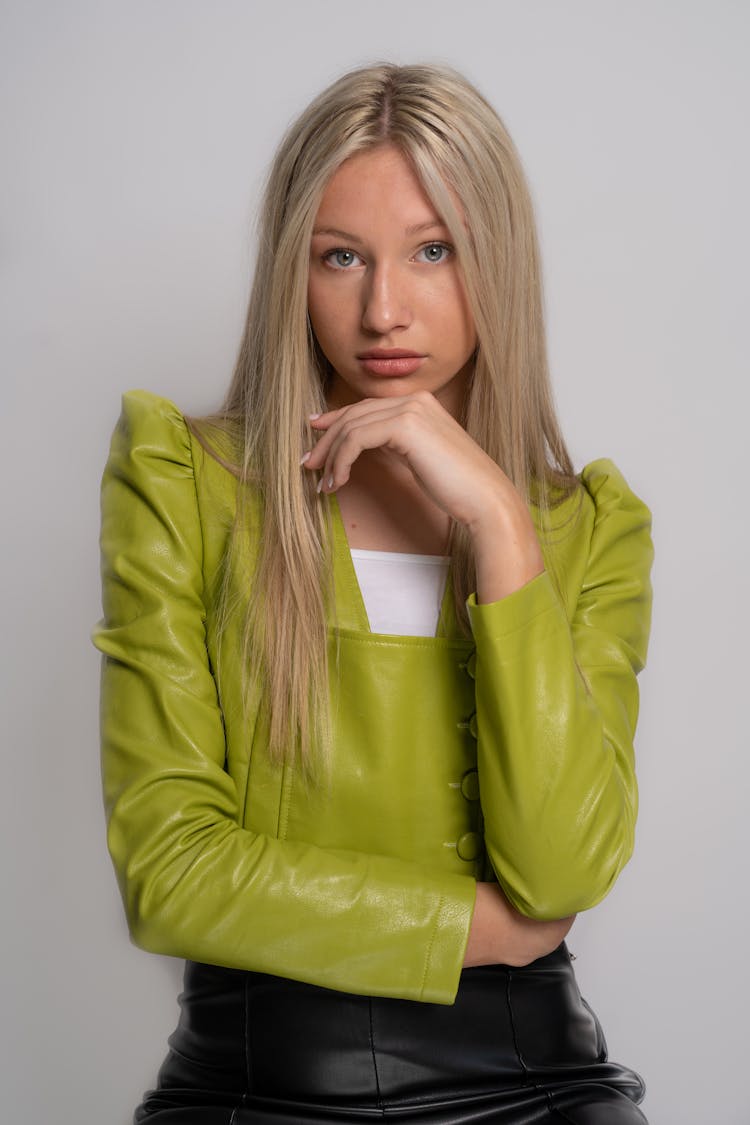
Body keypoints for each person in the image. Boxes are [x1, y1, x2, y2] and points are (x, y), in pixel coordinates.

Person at [94, 63, 653, 1124]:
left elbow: (563, 867)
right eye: (340, 258)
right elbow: (169, 872)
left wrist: (497, 524)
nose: (384, 310)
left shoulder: (587, 531)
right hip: (264, 1076)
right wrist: (479, 934)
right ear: (290, 275)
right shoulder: (186, 481)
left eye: (434, 251)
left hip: (536, 1077)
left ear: (500, 262)